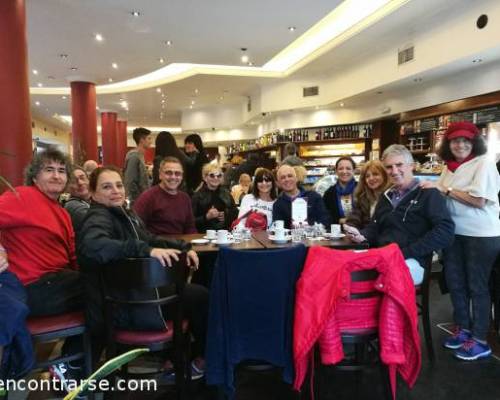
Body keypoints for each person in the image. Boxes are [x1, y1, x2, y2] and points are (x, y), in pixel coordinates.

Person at [78, 166, 208, 377]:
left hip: (134, 296)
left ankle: (177, 357)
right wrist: (145, 250)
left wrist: (184, 248)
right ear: (93, 194)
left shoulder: (122, 214)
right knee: (200, 296)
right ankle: (197, 359)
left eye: (119, 185)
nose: (116, 191)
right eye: (106, 187)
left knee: (194, 293)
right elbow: (94, 246)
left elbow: (150, 238)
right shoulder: (98, 216)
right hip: (126, 306)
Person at [0, 147, 83, 383]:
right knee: (106, 288)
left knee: (106, 288)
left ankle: (70, 364)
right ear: (35, 176)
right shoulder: (22, 196)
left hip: (56, 283)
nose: (57, 176)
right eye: (49, 170)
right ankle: (70, 365)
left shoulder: (62, 211)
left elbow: (72, 256)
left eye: (61, 171)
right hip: (32, 288)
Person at [420, 122, 500, 360]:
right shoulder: (449, 168)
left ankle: (480, 340)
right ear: (448, 144)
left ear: (474, 142)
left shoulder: (483, 164)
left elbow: (479, 201)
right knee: (455, 283)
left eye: (465, 140)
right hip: (453, 233)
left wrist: (443, 189)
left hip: (481, 235)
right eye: (455, 140)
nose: (460, 144)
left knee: (477, 286)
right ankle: (463, 329)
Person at [345, 144, 454, 285]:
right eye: (389, 167)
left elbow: (445, 231)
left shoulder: (428, 193)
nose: (394, 171)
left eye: (399, 165)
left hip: (413, 259)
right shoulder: (386, 196)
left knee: (385, 276)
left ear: (411, 166)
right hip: (383, 255)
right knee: (340, 263)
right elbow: (375, 227)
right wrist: (361, 235)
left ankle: (385, 307)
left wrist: (406, 252)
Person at [134, 157, 197, 235]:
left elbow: (190, 228)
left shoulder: (185, 198)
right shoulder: (148, 197)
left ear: (181, 176)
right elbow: (136, 227)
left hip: (181, 245)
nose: (173, 177)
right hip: (156, 245)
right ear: (160, 175)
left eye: (177, 173)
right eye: (168, 173)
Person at [273, 164, 330, 229]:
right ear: (278, 183)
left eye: (290, 176)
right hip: (292, 238)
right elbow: (279, 229)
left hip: (315, 237)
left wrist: (311, 228)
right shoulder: (278, 205)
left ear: (296, 178)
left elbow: (326, 219)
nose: (287, 179)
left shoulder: (314, 197)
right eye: (283, 177)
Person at [191, 164, 238, 232]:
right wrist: (206, 217)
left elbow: (235, 213)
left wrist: (226, 215)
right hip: (203, 235)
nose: (216, 178)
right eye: (212, 175)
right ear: (205, 177)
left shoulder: (226, 193)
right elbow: (190, 222)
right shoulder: (197, 196)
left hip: (224, 234)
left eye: (219, 176)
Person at [345, 160, 390, 229]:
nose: (371, 178)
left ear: (384, 175)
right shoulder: (362, 198)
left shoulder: (392, 196)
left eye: (375, 174)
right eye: (367, 176)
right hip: (364, 237)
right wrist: (350, 228)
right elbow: (354, 219)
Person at [323, 157, 357, 224]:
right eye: (341, 169)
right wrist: (340, 220)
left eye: (348, 168)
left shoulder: (362, 189)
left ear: (354, 170)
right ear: (336, 171)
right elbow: (326, 216)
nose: (344, 172)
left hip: (361, 231)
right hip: (337, 232)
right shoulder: (329, 193)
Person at [124, 127, 152, 205]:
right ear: (142, 140)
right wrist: (134, 202)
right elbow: (130, 181)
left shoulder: (140, 156)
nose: (151, 142)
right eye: (149, 139)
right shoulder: (134, 156)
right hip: (136, 201)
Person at [64, 166, 91, 233]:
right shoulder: (73, 206)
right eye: (73, 181)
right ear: (66, 187)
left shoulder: (92, 200)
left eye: (82, 178)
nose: (80, 183)